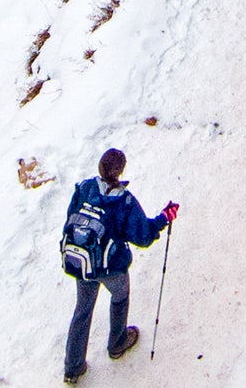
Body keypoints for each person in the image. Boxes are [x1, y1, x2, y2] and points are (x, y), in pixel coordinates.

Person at [61, 148, 176, 382]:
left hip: (83, 263)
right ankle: (117, 343)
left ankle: (73, 368)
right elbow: (143, 235)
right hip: (112, 266)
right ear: (120, 171)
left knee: (82, 309)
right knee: (120, 296)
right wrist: (165, 217)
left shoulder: (84, 188)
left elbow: (70, 218)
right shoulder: (124, 201)